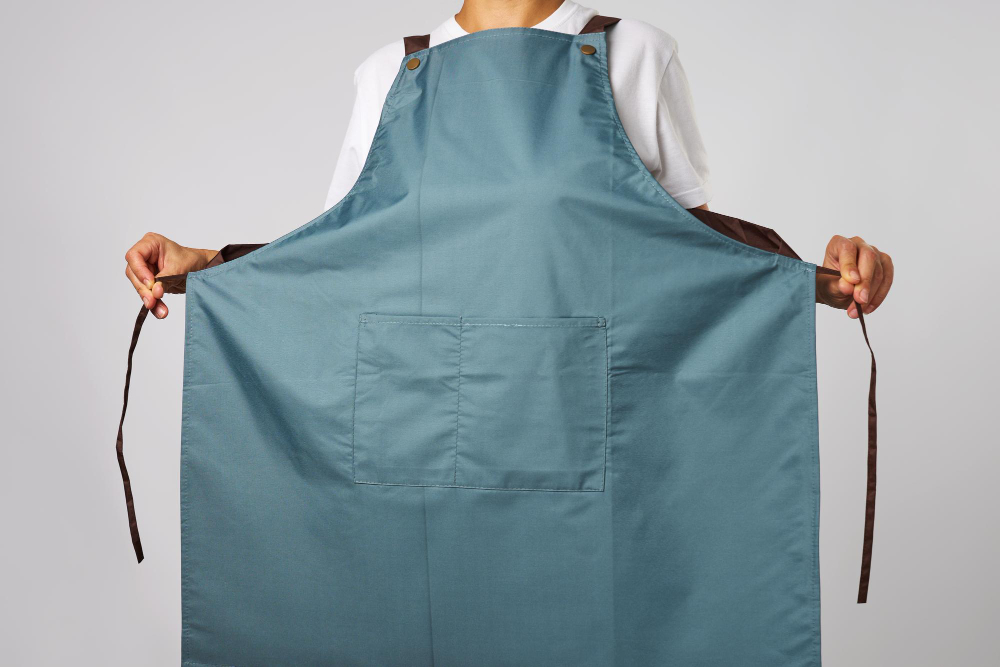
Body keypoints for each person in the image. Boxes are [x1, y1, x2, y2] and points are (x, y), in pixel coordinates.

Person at [124, 0, 893, 320]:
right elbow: (342, 267)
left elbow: (692, 267)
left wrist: (827, 281)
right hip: (424, 449)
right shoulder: (388, 74)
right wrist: (209, 266)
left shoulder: (635, 54)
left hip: (605, 437)